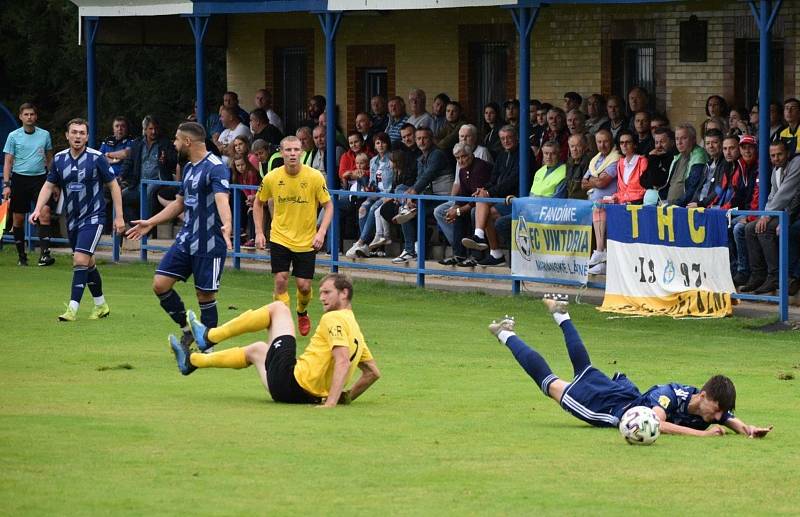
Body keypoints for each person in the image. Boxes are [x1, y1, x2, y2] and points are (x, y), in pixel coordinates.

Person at [488, 295, 773, 438]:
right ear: (702, 396)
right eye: (718, 409)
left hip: (624, 396)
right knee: (551, 383)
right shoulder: (670, 395)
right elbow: (659, 423)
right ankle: (504, 333)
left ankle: (562, 316)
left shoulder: (707, 408)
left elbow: (727, 418)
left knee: (583, 368)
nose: (719, 416)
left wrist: (747, 429)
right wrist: (703, 435)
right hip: (609, 408)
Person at [169, 274, 381, 408]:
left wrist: (332, 402)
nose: (322, 297)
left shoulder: (333, 317)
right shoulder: (356, 331)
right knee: (258, 350)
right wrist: (348, 397)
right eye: (321, 293)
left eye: (327, 292)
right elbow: (372, 373)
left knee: (279, 308)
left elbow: (342, 360)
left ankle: (208, 337)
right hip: (298, 394)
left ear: (344, 293)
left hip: (293, 381)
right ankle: (192, 361)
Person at [126, 122, 232, 350]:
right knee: (160, 284)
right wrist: (150, 222)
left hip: (210, 242)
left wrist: (228, 224)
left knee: (205, 295)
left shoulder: (216, 167)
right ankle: (187, 329)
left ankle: (208, 348)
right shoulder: (189, 168)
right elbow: (180, 204)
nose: (173, 144)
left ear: (187, 142)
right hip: (186, 240)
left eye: (176, 139)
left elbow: (222, 199)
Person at [30, 118, 125, 321]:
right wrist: (38, 209)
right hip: (72, 219)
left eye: (82, 133)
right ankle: (101, 305)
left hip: (94, 216)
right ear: (67, 135)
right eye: (74, 132)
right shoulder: (59, 159)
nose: (78, 136)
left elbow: (114, 185)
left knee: (79, 259)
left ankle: (72, 309)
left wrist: (119, 217)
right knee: (87, 262)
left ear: (87, 137)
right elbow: (48, 186)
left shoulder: (97, 158)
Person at [252, 135, 333, 336]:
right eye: (288, 150)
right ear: (281, 152)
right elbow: (258, 202)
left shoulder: (314, 177)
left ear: (302, 152)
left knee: (304, 286)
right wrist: (260, 232)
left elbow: (328, 205)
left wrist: (321, 232)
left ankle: (302, 312)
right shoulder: (272, 177)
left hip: (306, 239)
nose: (292, 154)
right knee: (281, 279)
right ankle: (284, 321)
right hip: (279, 236)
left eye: (296, 150)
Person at [2, 103, 55, 266]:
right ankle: (22, 256)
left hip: (40, 179)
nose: (29, 117)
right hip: (19, 179)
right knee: (18, 218)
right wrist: (6, 184)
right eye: (26, 114)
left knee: (44, 212)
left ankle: (44, 255)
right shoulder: (13, 136)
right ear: (21, 117)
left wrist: (54, 181)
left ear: (36, 116)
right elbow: (8, 161)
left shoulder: (44, 135)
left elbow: (50, 158)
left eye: (32, 114)